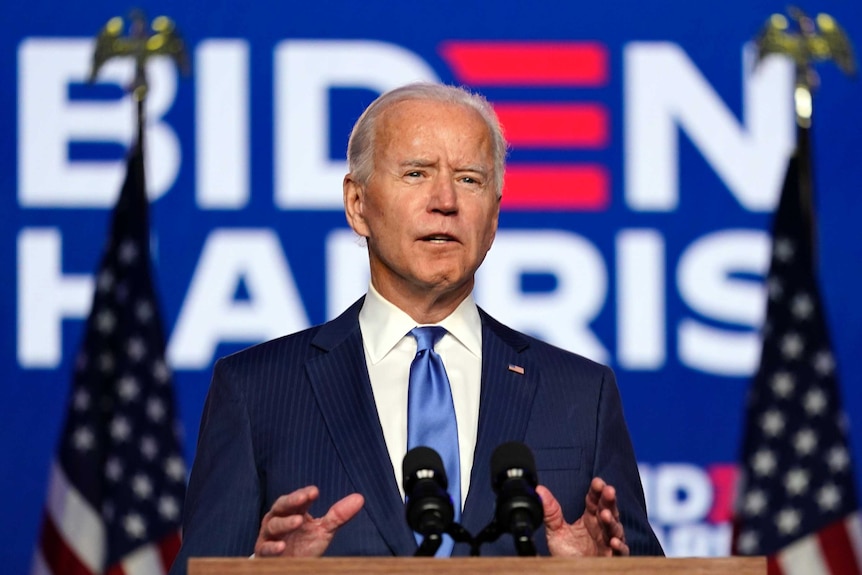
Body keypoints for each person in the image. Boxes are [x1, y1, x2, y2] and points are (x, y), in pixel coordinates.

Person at [169, 82, 663, 575]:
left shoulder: (580, 393)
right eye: (416, 173)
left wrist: (605, 573)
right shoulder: (258, 390)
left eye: (470, 180)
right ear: (358, 204)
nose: (445, 200)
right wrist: (261, 571)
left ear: (493, 217)